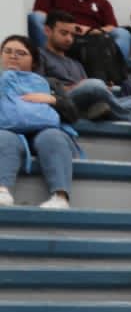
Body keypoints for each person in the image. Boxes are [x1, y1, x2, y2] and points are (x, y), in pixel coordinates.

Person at [0, 34, 77, 210]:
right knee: (4, 138)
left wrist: (52, 99)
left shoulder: (50, 83)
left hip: (44, 130)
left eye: (21, 53)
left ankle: (60, 196)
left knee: (53, 137)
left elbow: (73, 114)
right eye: (8, 51)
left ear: (34, 61)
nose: (13, 56)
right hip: (7, 129)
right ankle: (2, 190)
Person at [38, 11, 131, 122]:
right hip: (62, 99)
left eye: (72, 35)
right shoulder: (39, 55)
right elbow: (38, 86)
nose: (69, 39)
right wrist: (69, 88)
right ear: (47, 31)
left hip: (87, 100)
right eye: (64, 33)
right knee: (94, 84)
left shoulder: (76, 63)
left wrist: (104, 88)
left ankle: (96, 110)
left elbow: (87, 87)